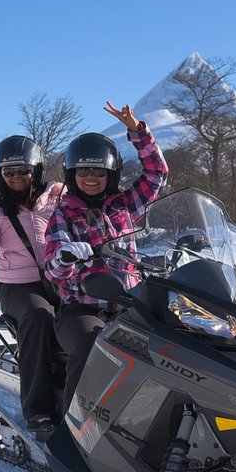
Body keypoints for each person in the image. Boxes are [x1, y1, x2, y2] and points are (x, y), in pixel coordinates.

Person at [45, 101, 168, 415]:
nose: (91, 177)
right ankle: (72, 427)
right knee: (93, 345)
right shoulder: (63, 215)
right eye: (83, 171)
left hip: (131, 305)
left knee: (172, 347)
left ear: (110, 174)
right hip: (82, 309)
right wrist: (65, 257)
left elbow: (157, 174)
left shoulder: (125, 205)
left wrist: (137, 131)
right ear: (72, 174)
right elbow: (53, 271)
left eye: (99, 171)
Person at [0, 135, 66, 436]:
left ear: (36, 169)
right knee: (39, 316)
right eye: (8, 172)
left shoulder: (58, 196)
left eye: (23, 170)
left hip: (61, 279)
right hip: (18, 287)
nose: (16, 177)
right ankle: (38, 410)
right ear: (0, 175)